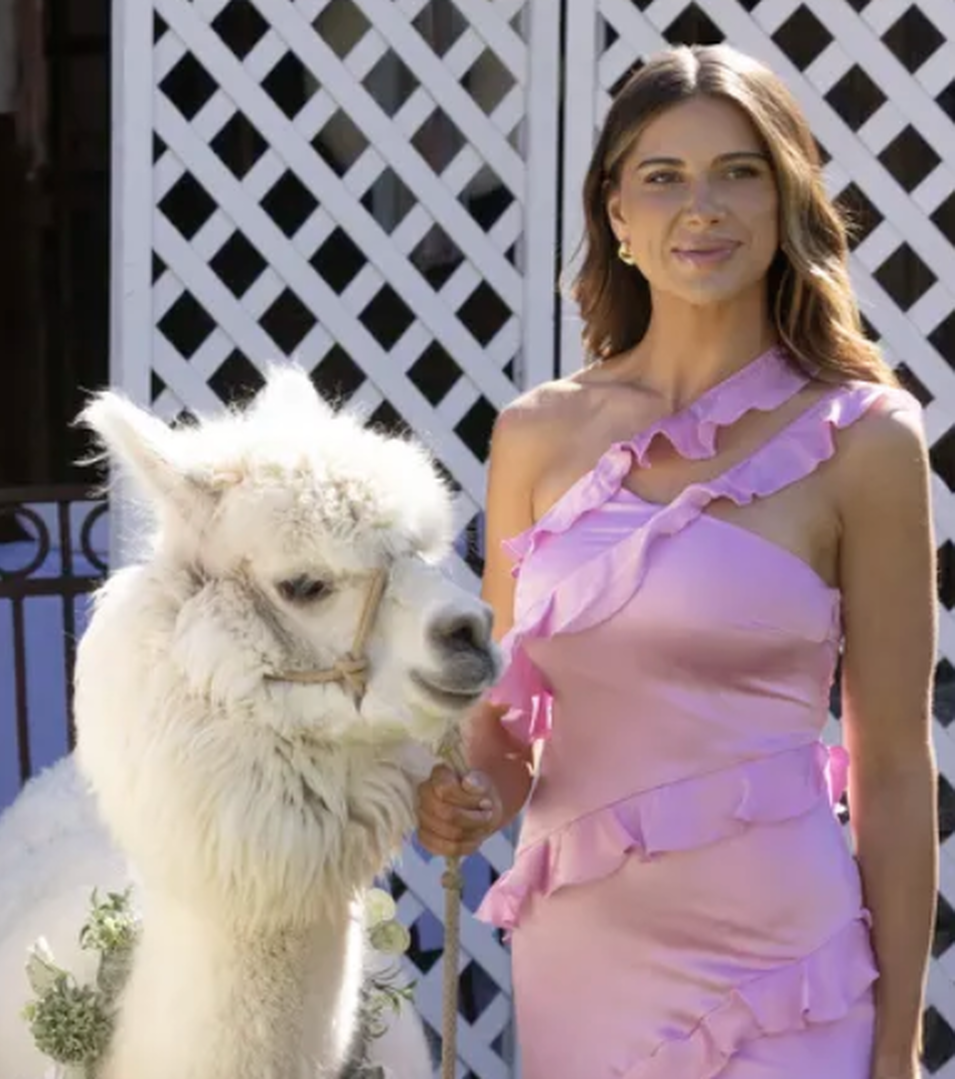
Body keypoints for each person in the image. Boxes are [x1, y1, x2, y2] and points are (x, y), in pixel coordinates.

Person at [417, 44, 936, 1079]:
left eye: (739, 171)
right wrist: (462, 791)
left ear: (786, 199)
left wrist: (898, 1042)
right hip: (586, 960)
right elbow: (508, 724)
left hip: (786, 962)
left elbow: (890, 765)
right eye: (664, 177)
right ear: (616, 212)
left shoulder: (866, 440)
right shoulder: (533, 435)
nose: (703, 206)